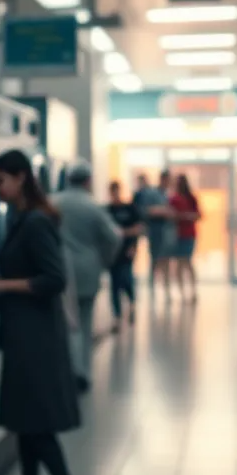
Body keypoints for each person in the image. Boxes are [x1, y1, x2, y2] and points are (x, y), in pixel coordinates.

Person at [0, 149, 90, 475]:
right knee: (24, 422)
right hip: (23, 332)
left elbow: (53, 279)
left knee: (37, 426)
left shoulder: (36, 223)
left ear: (21, 177)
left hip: (36, 338)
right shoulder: (22, 218)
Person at [50, 160, 123, 392]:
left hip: (59, 268)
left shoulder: (53, 202)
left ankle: (68, 371)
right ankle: (83, 373)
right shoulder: (93, 207)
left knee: (65, 323)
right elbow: (115, 237)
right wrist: (105, 259)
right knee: (84, 320)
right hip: (89, 269)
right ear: (88, 181)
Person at [105, 180, 143, 328]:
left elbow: (138, 228)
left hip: (127, 250)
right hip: (113, 252)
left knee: (126, 278)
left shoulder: (129, 208)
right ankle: (117, 316)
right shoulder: (108, 210)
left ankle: (132, 302)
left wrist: (130, 242)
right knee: (114, 283)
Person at [132, 171, 176, 299]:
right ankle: (152, 289)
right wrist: (162, 211)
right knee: (155, 260)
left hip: (167, 231)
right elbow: (146, 210)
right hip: (155, 231)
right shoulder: (152, 194)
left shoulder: (167, 195)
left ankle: (167, 290)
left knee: (167, 260)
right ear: (163, 179)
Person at [168, 174, 201, 302]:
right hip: (176, 235)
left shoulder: (191, 198)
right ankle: (182, 294)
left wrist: (186, 216)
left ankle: (193, 292)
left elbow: (198, 215)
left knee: (186, 262)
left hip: (189, 234)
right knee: (179, 265)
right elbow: (171, 215)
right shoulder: (173, 199)